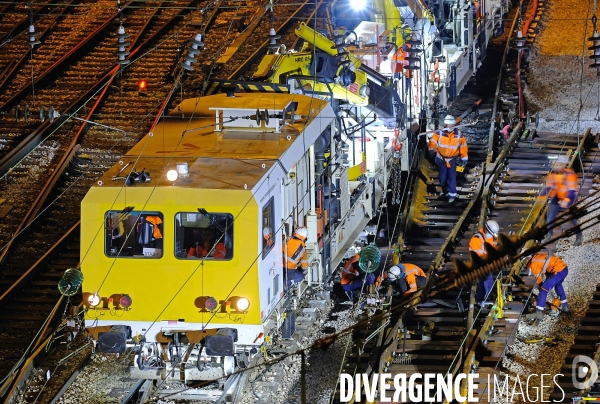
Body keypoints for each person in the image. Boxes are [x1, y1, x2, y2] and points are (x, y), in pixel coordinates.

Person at [540, 155, 582, 246]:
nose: (554, 166)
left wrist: (566, 200)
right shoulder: (553, 175)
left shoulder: (570, 175)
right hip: (557, 197)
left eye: (557, 164)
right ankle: (549, 236)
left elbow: (571, 190)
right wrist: (541, 195)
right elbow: (549, 187)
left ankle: (579, 237)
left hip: (570, 199)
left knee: (573, 219)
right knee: (550, 218)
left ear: (563, 165)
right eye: (554, 164)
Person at [429, 114, 468, 203]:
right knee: (442, 177)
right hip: (442, 159)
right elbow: (433, 142)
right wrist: (432, 148)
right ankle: (444, 188)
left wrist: (464, 157)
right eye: (449, 124)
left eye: (452, 124)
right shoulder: (439, 132)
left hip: (452, 160)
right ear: (446, 124)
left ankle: (452, 195)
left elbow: (463, 146)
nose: (451, 126)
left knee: (452, 178)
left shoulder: (458, 134)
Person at [525, 254, 569, 321]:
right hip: (564, 269)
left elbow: (538, 278)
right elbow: (547, 267)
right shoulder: (537, 257)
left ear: (527, 259)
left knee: (543, 289)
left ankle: (538, 312)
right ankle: (564, 306)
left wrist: (541, 287)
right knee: (558, 285)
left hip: (558, 271)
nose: (524, 263)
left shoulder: (533, 263)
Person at [470, 220, 499, 306]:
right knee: (487, 279)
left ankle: (481, 299)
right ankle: (487, 297)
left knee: (483, 282)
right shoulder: (477, 239)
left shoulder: (493, 237)